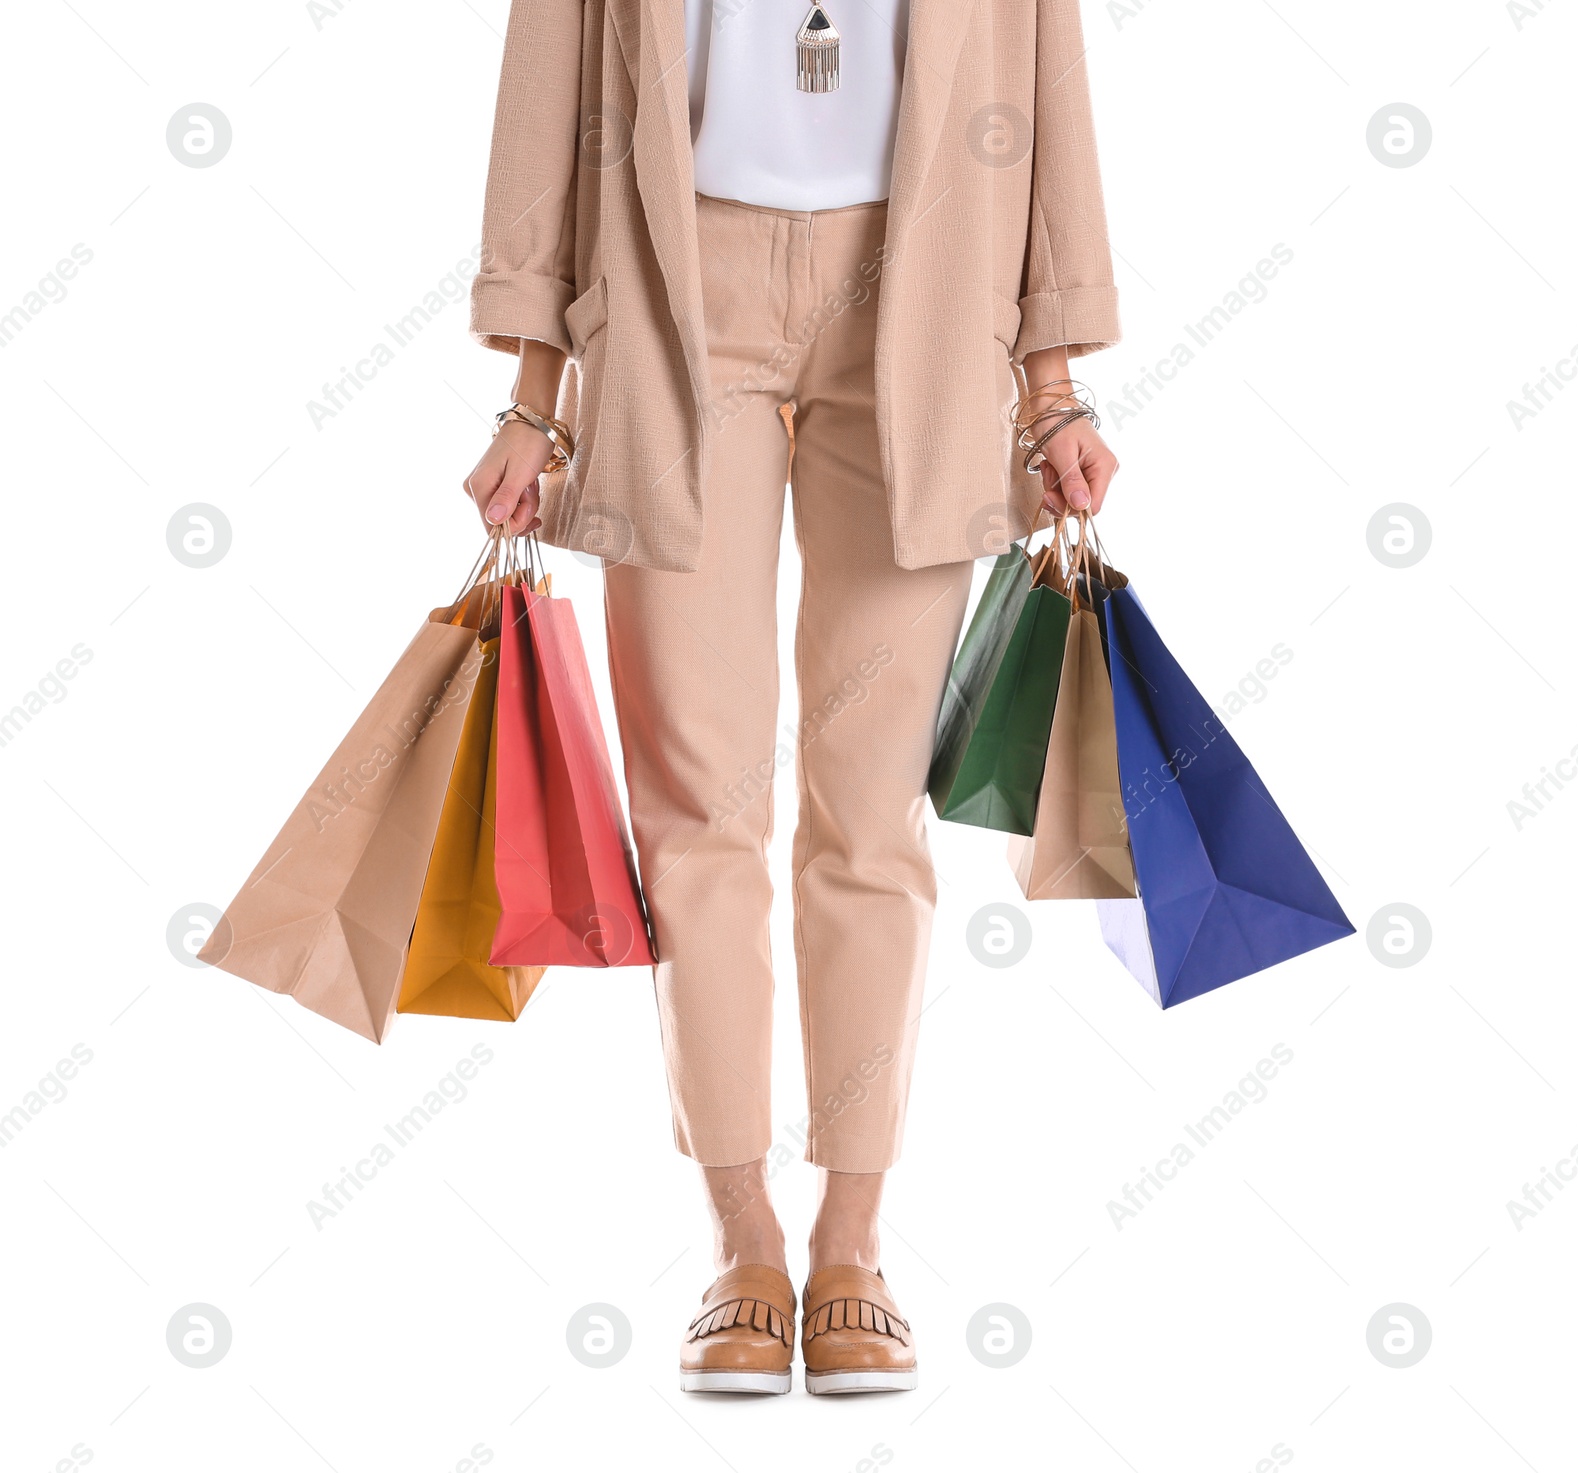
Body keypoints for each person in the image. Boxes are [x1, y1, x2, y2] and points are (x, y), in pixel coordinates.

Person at [462, 0, 1120, 1396]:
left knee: (868, 810)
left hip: (924, 290)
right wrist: (535, 391)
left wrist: (1051, 384)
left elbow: (1042, 72)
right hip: (671, 290)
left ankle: (858, 1240)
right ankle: (742, 1235)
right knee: (698, 802)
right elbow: (556, 76)